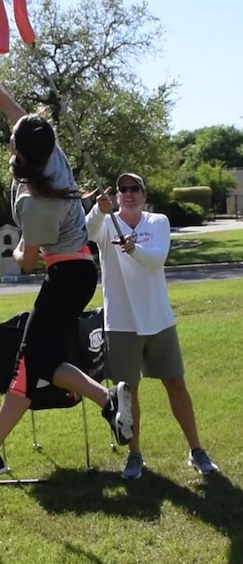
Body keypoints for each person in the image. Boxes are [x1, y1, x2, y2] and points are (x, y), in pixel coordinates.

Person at [0, 58, 134, 493]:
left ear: (19, 151)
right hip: (74, 273)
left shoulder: (34, 203)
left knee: (25, 372)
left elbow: (26, 262)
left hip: (67, 276)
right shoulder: (49, 154)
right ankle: (108, 402)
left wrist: (15, 244)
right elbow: (13, 108)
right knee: (43, 362)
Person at [86, 173, 219, 479]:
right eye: (123, 189)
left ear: (144, 195)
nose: (128, 193)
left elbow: (156, 261)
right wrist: (98, 209)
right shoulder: (106, 222)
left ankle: (196, 450)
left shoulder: (157, 222)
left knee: (175, 383)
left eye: (134, 189)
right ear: (117, 195)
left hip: (158, 319)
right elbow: (88, 231)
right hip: (120, 323)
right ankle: (135, 456)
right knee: (127, 393)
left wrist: (134, 249)